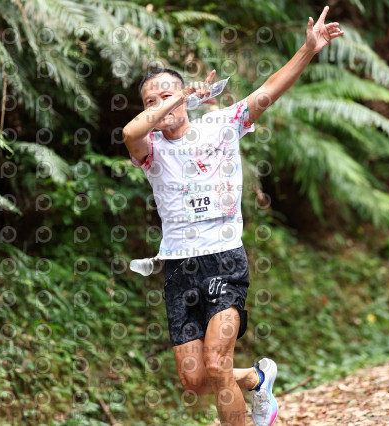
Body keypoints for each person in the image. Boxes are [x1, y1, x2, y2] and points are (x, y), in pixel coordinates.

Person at [122, 6, 343, 426]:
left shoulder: (221, 125)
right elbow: (130, 132)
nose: (159, 105)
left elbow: (268, 91)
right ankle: (257, 379)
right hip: (179, 267)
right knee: (194, 380)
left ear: (186, 96)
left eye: (167, 95)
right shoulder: (150, 151)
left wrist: (308, 49)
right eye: (150, 101)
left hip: (224, 258)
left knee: (217, 363)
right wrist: (178, 98)